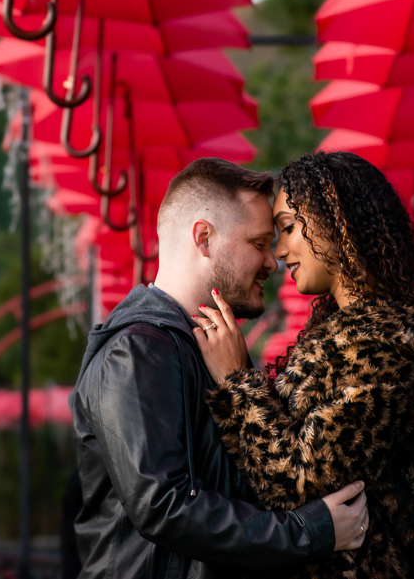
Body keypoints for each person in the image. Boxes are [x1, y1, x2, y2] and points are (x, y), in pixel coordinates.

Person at [193, 151, 414, 579]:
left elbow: (299, 481)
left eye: (286, 228)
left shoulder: (386, 351)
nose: (280, 253)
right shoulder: (344, 339)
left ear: (334, 222)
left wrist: (235, 382)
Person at [70, 158, 370, 579]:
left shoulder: (214, 346)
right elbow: (163, 505)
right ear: (204, 238)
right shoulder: (137, 349)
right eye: (259, 242)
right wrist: (309, 531)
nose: (273, 261)